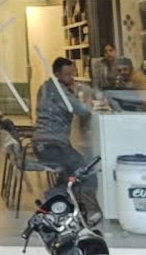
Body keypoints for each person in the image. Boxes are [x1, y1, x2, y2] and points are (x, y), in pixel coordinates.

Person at [33, 57, 101, 222]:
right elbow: (81, 109)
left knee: (70, 172)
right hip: (51, 144)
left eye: (73, 74)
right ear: (57, 74)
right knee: (85, 171)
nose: (72, 78)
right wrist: (89, 103)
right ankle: (90, 211)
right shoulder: (57, 90)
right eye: (67, 74)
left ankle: (54, 200)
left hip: (44, 143)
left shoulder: (47, 86)